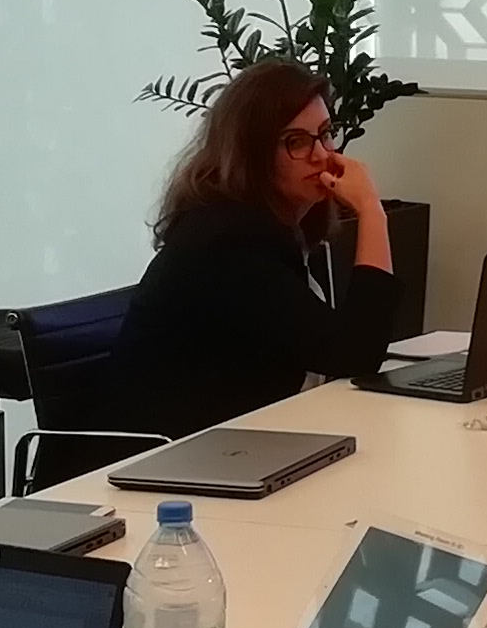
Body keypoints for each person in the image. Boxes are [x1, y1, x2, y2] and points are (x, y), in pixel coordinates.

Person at [112, 58, 397, 440]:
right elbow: (352, 355)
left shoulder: (273, 229)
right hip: (163, 460)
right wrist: (372, 212)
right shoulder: (225, 243)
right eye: (296, 141)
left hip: (238, 444)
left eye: (325, 133)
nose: (321, 154)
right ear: (253, 154)